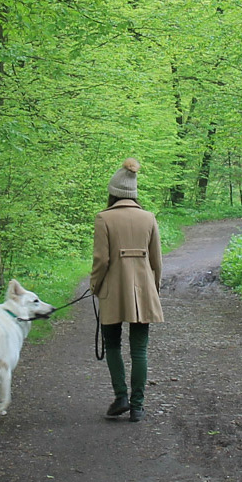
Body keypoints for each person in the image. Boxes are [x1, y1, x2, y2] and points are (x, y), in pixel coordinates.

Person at [89, 158, 163, 422]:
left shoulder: (104, 218)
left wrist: (94, 285)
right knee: (139, 349)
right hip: (143, 291)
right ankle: (138, 406)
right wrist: (154, 288)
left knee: (112, 344)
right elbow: (157, 260)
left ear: (113, 192)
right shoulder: (149, 218)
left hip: (113, 290)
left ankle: (121, 396)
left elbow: (102, 261)